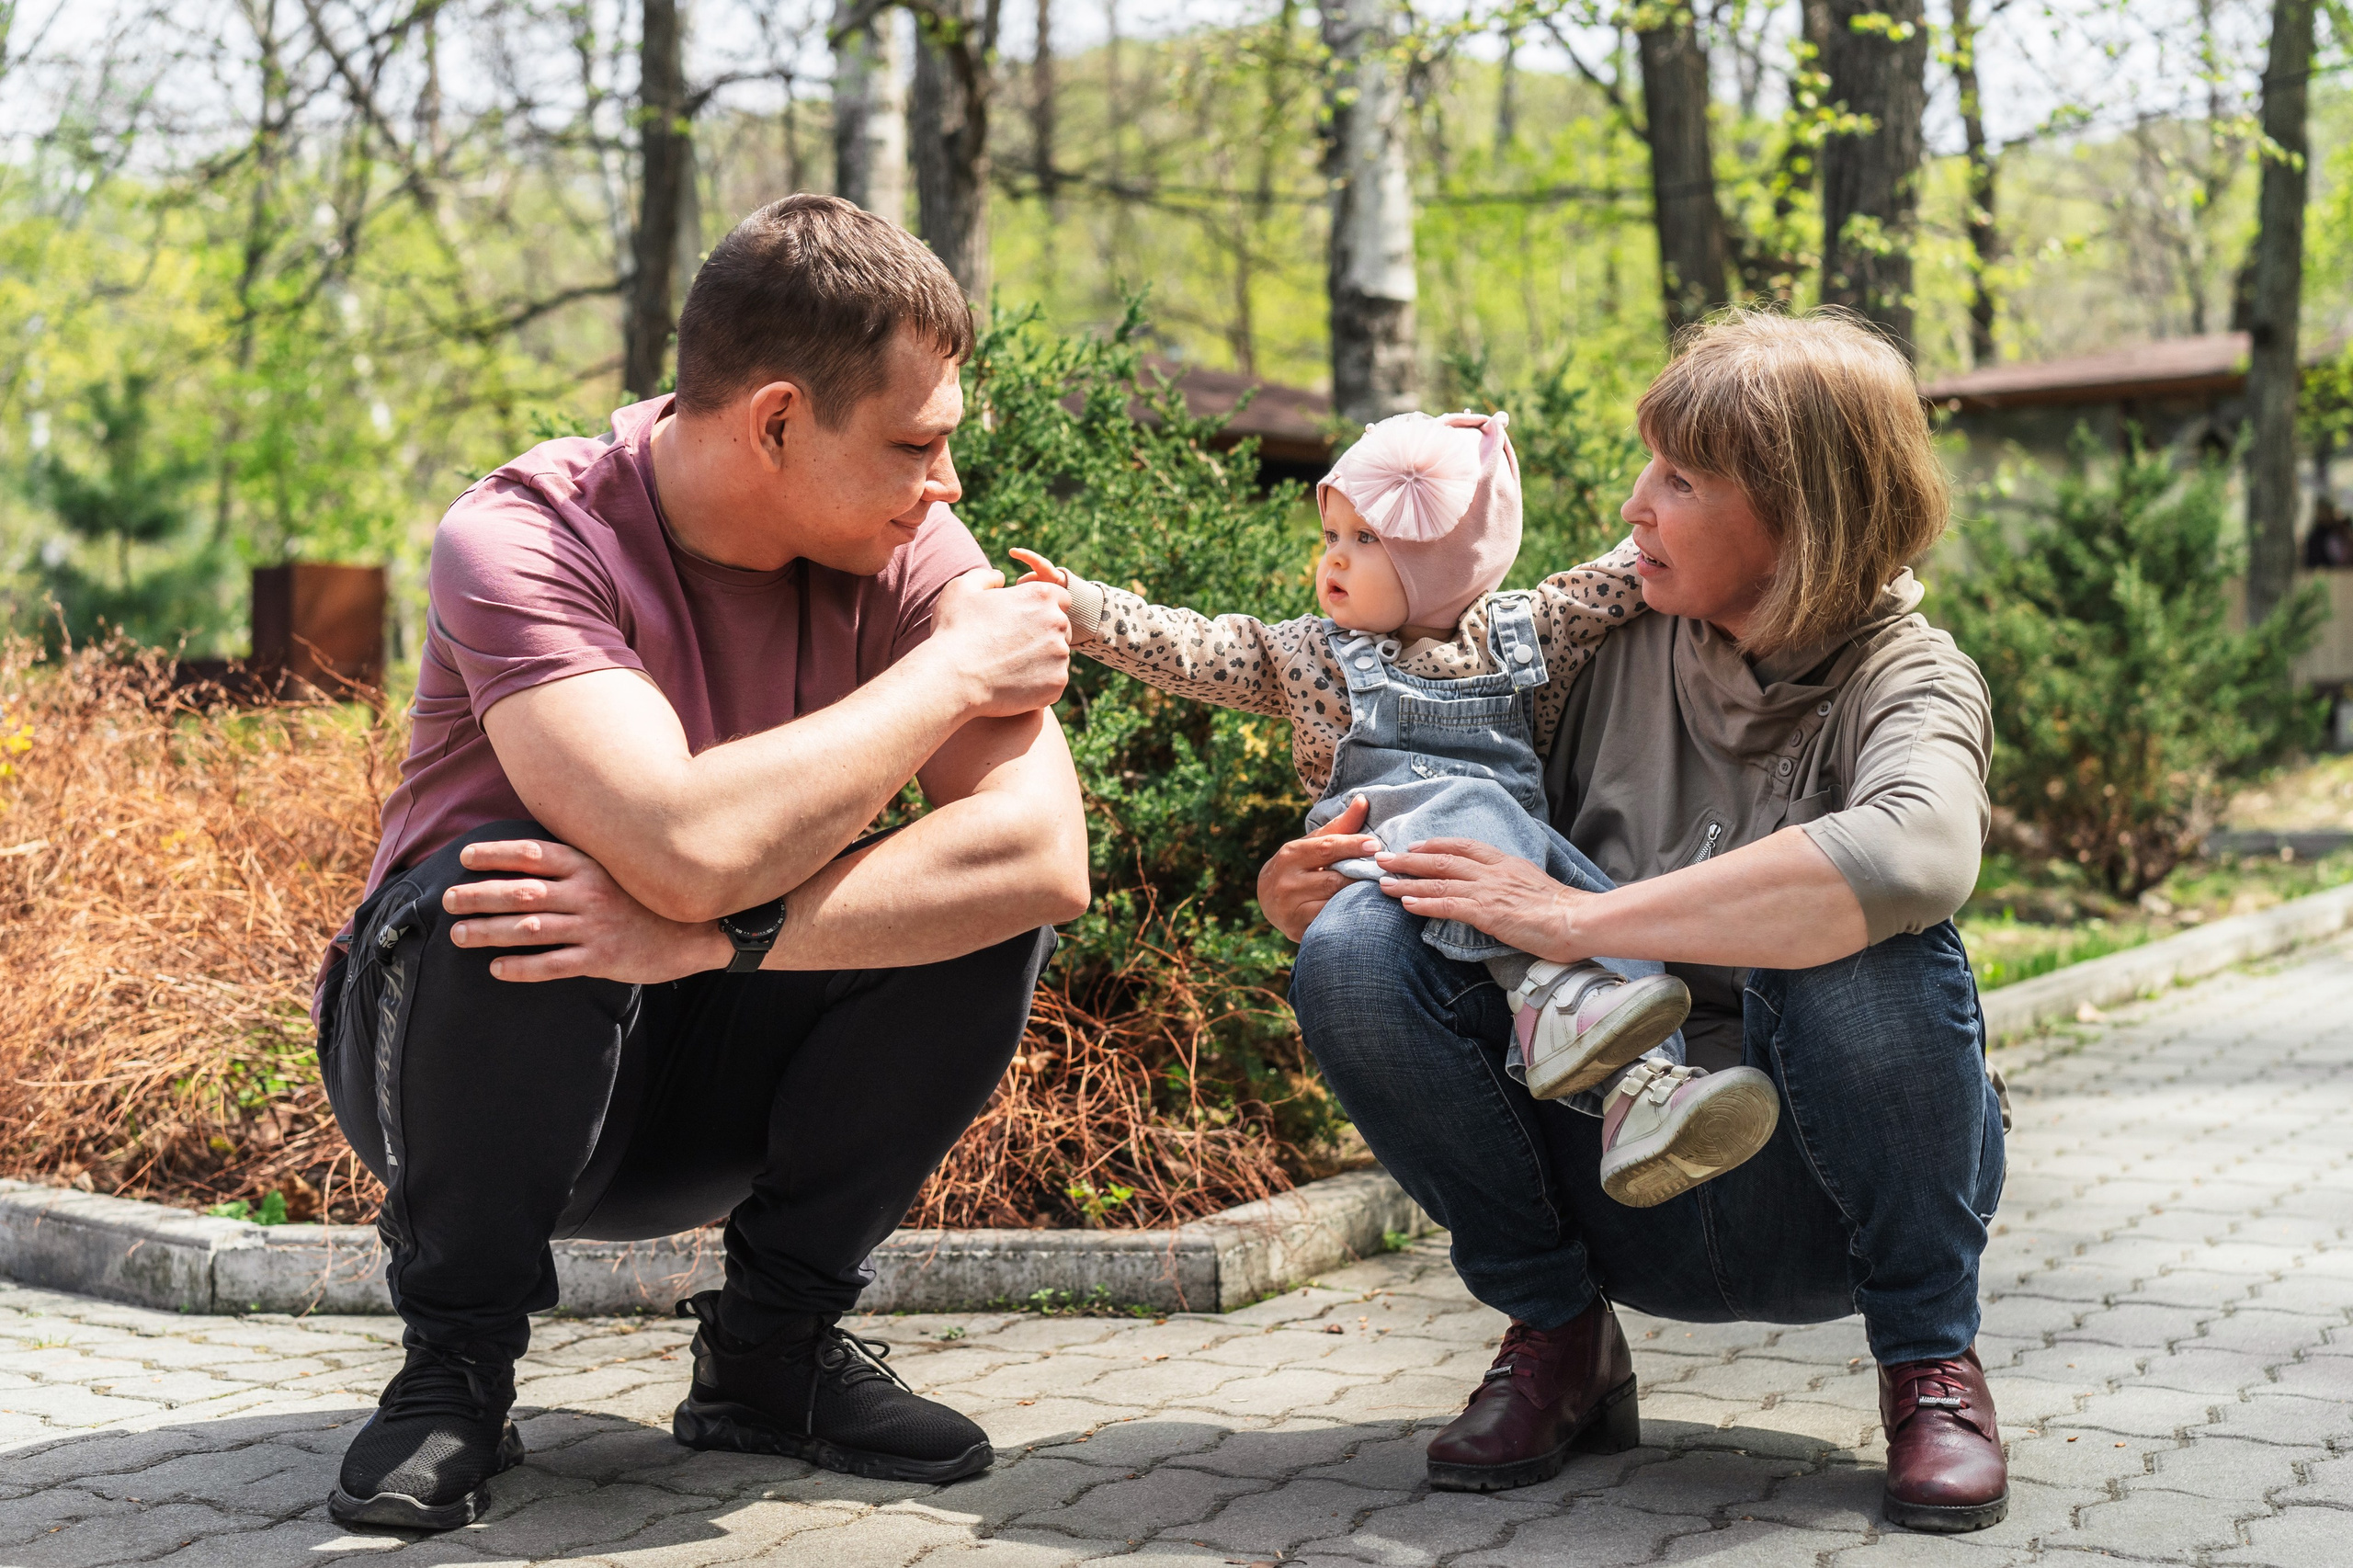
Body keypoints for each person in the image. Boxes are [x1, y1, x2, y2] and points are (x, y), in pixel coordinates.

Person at [313, 195, 1091, 1532]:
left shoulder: (906, 542)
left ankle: (771, 1356)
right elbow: (677, 843)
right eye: (915, 446)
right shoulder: (523, 538)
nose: (947, 487)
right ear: (777, 421)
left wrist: (709, 938)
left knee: (978, 905)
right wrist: (952, 667)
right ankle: (455, 1367)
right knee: (513, 889)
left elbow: (1039, 854)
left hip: (705, 1044)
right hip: (465, 1061)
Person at [1257, 312, 2009, 1534]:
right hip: (1610, 1167)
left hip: (1826, 1195)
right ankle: (1559, 1336)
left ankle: (1930, 1362)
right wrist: (1313, 878)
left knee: (1859, 934)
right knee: (1357, 946)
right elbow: (1436, 787)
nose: (1633, 503)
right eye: (1647, 466)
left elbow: (1917, 851)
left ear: (1799, 509)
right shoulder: (1597, 645)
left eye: (1681, 477)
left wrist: (1577, 911)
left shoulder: (1911, 677)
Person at [1010, 408, 1779, 1208]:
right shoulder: (1310, 658)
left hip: (1507, 861)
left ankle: (1645, 1098)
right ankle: (1555, 1000)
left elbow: (1628, 570)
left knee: (1604, 908)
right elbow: (1198, 649)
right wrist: (1086, 609)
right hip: (1386, 861)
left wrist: (1767, 514)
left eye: (1368, 540)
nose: (1335, 558)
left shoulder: (1525, 630)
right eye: (1333, 535)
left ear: (1448, 559)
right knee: (1475, 806)